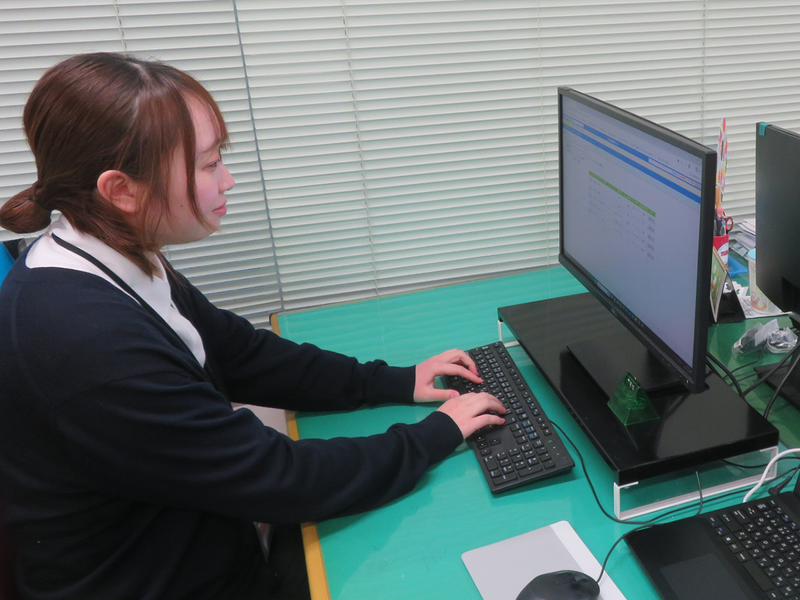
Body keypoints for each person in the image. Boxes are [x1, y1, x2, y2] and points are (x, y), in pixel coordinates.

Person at [0, 53, 505, 600]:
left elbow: (240, 354)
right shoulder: (87, 341)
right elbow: (279, 480)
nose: (229, 179)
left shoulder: (112, 254)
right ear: (122, 190)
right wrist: (434, 435)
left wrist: (393, 381)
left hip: (202, 542)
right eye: (208, 164)